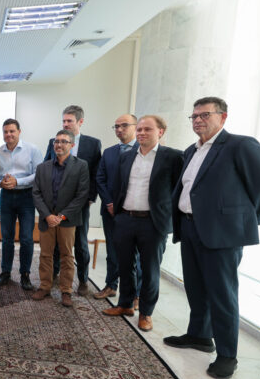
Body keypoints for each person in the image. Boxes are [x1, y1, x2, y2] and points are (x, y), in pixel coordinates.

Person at [166, 97, 260, 379]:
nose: (198, 120)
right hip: (190, 227)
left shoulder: (241, 145)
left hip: (222, 234)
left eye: (205, 115)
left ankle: (228, 355)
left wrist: (247, 220)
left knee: (222, 294)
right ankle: (199, 336)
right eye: (194, 116)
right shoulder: (192, 150)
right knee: (195, 287)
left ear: (223, 117)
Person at [101, 116, 183, 332]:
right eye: (139, 129)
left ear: (161, 132)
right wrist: (118, 212)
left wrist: (170, 217)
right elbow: (119, 185)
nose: (142, 133)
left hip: (153, 223)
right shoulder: (126, 156)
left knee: (150, 270)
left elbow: (180, 190)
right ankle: (125, 304)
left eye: (148, 129)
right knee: (125, 265)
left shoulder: (173, 157)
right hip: (125, 219)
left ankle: (146, 313)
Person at [44, 105, 101, 296]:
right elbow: (46, 166)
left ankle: (83, 280)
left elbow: (96, 174)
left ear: (80, 122)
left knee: (80, 243)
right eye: (64, 121)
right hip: (56, 204)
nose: (66, 124)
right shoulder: (54, 141)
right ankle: (54, 274)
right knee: (56, 242)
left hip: (80, 204)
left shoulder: (92, 144)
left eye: (69, 121)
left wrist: (90, 198)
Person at [32, 130, 89, 307]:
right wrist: (47, 215)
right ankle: (44, 286)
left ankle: (66, 291)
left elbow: (81, 195)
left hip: (67, 220)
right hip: (47, 219)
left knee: (67, 255)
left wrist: (62, 216)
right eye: (56, 141)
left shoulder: (81, 166)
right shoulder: (43, 167)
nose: (59, 144)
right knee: (45, 254)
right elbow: (36, 193)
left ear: (72, 145)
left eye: (64, 141)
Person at [94, 114, 142, 307]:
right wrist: (109, 203)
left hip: (134, 212)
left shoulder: (143, 150)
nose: (119, 129)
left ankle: (137, 294)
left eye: (124, 125)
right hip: (111, 212)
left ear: (135, 127)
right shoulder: (109, 152)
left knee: (136, 255)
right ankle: (111, 285)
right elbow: (100, 179)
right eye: (116, 126)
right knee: (112, 251)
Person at [0, 118, 43, 290]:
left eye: (12, 131)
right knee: (7, 237)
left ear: (19, 132)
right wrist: (1, 183)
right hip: (6, 197)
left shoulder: (32, 150)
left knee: (26, 238)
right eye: (5, 132)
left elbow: (38, 174)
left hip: (26, 197)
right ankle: (5, 272)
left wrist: (18, 181)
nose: (8, 134)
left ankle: (25, 274)